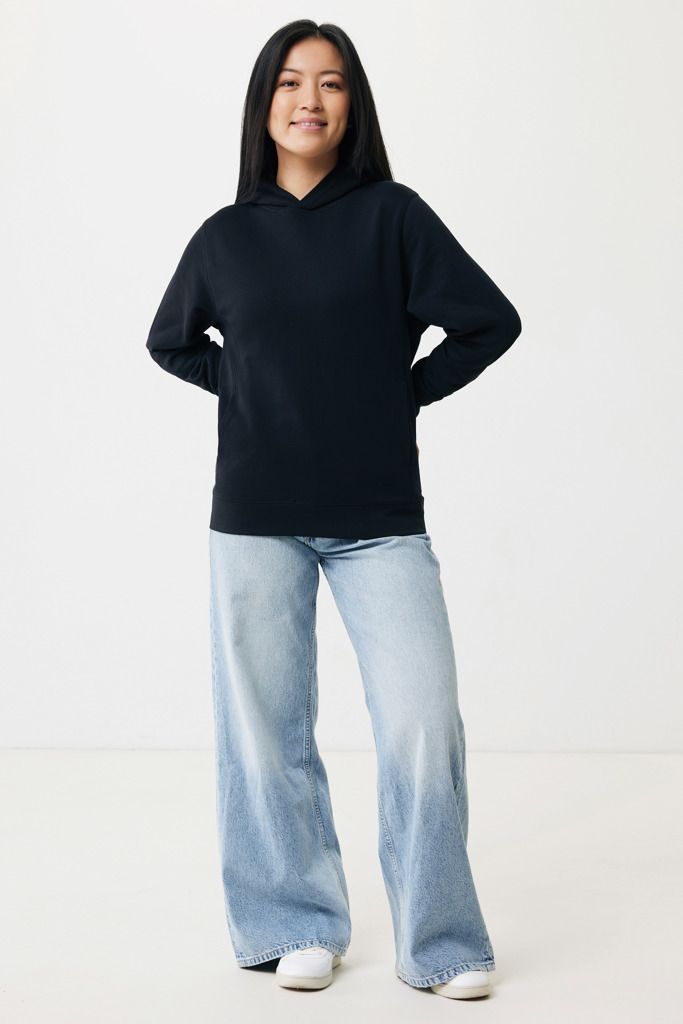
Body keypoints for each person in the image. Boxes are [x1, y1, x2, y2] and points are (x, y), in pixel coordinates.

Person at [145, 18, 521, 1000]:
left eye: (331, 82)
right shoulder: (225, 237)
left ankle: (441, 943)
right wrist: (250, 387)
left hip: (378, 517)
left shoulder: (393, 217)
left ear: (352, 106)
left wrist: (401, 394)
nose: (308, 99)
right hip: (255, 517)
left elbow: (489, 321)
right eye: (289, 81)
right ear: (263, 103)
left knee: (420, 723)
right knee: (266, 734)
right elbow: (170, 340)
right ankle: (293, 924)